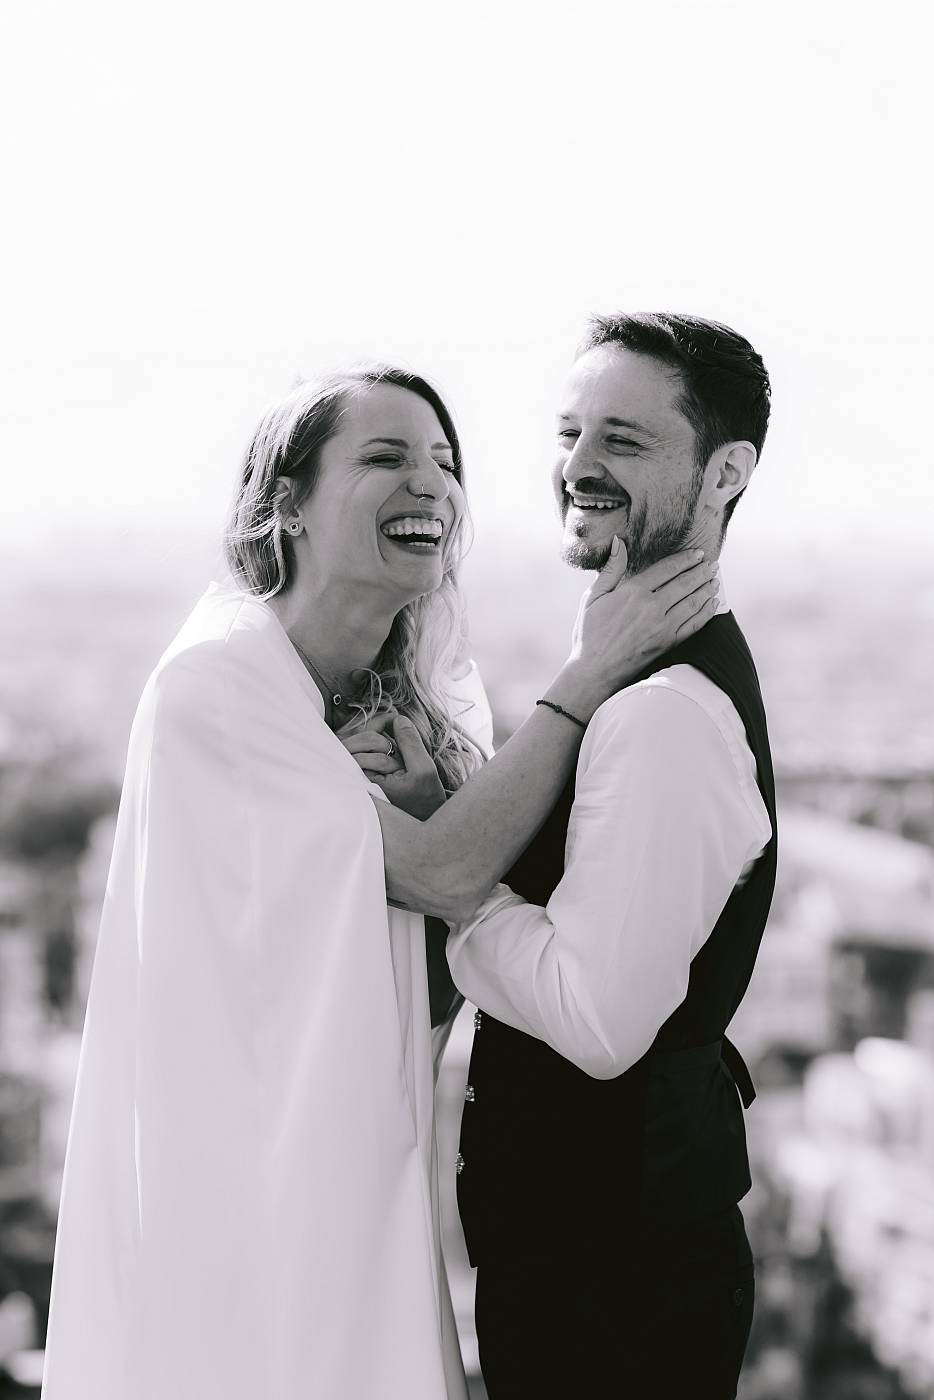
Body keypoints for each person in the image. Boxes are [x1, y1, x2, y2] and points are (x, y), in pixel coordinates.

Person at [41, 363, 719, 1400]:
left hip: (359, 1173)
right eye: (386, 456)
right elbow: (449, 872)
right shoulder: (217, 684)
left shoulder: (390, 706)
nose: (432, 486)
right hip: (257, 1197)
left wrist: (431, 799)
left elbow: (439, 978)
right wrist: (590, 672)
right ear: (288, 508)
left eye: (446, 462)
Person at [370, 315, 778, 1399]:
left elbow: (598, 1025)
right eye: (569, 432)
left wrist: (454, 873)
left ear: (725, 471)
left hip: (615, 1282)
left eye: (626, 441)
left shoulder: (661, 717)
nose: (579, 467)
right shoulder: (628, 683)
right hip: (599, 1252)